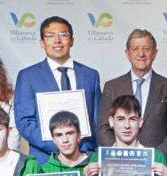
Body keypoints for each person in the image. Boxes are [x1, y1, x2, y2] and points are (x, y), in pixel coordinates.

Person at [13, 16, 101, 161]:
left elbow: (97, 120)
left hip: (86, 157)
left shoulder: (91, 75)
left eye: (63, 35)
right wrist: (59, 145)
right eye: (50, 36)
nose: (57, 40)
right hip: (46, 159)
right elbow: (24, 121)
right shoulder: (27, 76)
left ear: (72, 40)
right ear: (42, 43)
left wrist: (83, 150)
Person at [98, 28, 167, 160]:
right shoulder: (112, 87)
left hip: (157, 165)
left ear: (154, 53)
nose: (141, 54)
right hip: (119, 164)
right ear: (127, 54)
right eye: (135, 49)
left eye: (146, 49)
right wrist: (121, 156)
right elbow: (103, 128)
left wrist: (157, 157)